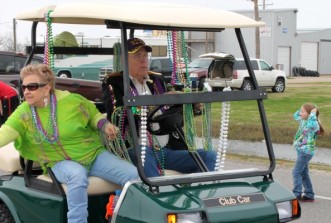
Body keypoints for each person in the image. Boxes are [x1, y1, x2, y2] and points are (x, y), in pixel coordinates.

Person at [0, 64, 139, 223]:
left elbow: (93, 116)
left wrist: (105, 126)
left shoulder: (72, 101)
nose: (25, 91)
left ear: (47, 88)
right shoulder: (23, 112)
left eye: (32, 87)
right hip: (59, 160)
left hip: (92, 155)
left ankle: (118, 216)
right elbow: (5, 133)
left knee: (133, 175)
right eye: (23, 86)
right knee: (77, 176)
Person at [102, 37, 216, 177]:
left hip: (167, 149)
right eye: (138, 56)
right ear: (124, 60)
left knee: (209, 156)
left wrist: (193, 107)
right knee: (144, 155)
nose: (143, 60)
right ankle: (159, 196)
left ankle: (202, 195)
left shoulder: (156, 79)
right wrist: (155, 103)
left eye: (145, 56)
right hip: (136, 148)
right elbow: (117, 116)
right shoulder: (115, 82)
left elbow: (170, 112)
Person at [292, 103, 325, 202]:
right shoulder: (303, 120)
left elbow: (311, 124)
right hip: (301, 150)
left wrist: (313, 113)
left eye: (303, 112)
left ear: (310, 115)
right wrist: (302, 108)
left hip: (305, 152)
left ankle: (296, 194)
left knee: (296, 172)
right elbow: (295, 115)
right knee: (304, 173)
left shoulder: (314, 125)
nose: (300, 113)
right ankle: (309, 195)